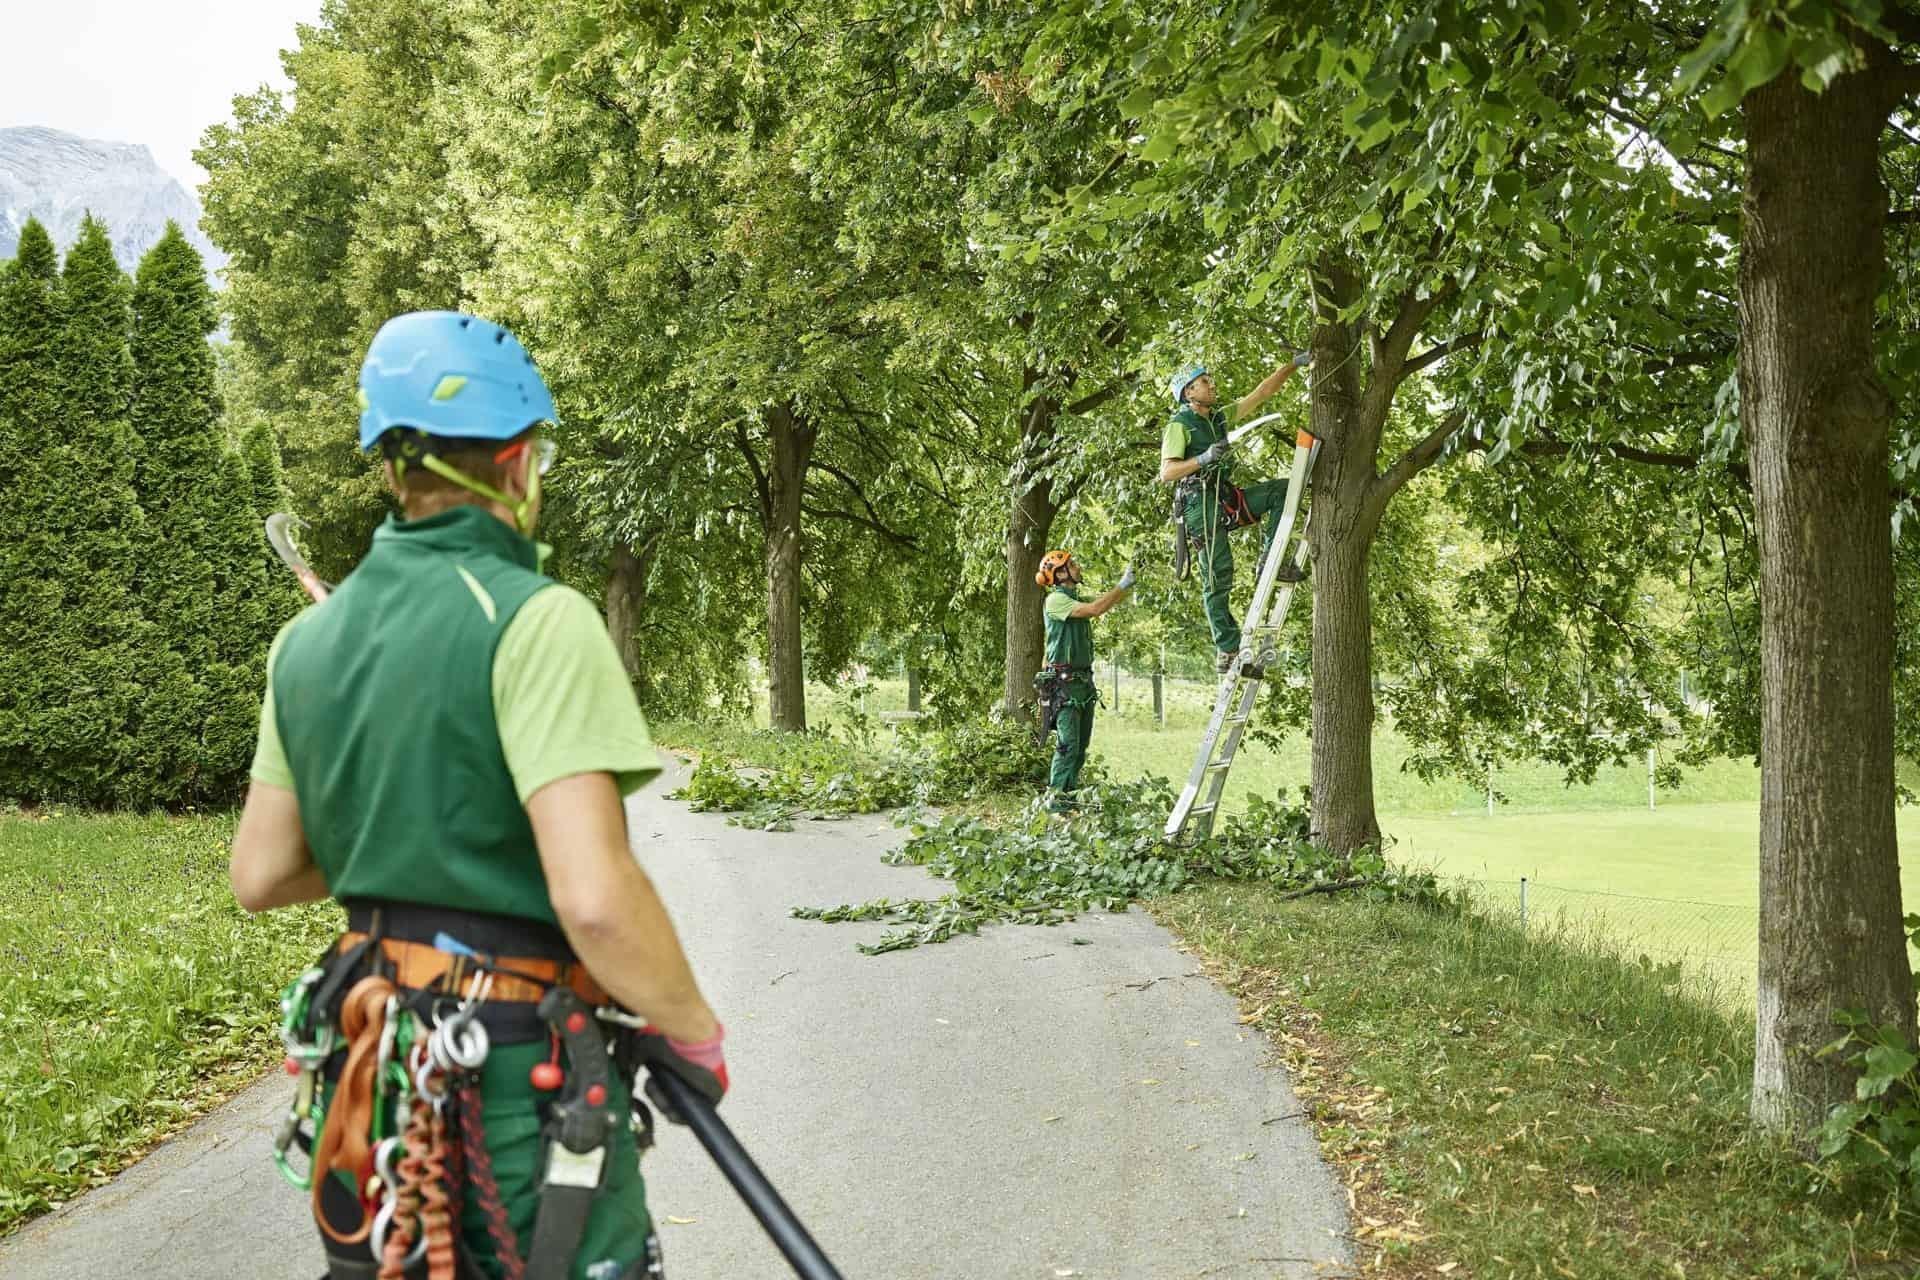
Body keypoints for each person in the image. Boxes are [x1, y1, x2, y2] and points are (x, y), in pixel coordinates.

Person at [229, 310, 723, 1280]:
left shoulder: (308, 645)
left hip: (369, 1075)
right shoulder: (539, 620)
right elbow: (593, 895)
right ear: (515, 457)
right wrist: (693, 1030)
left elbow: (264, 869)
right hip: (504, 1086)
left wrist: (406, 810)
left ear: (389, 464)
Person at [1158, 353, 1311, 675]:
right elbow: (1168, 472)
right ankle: (1228, 651)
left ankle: (1271, 559)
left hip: (1223, 495)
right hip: (1198, 503)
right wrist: (1203, 457)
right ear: (1188, 392)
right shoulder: (1178, 425)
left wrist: (1293, 365)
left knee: (1282, 490)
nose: (1212, 386)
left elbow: (1261, 393)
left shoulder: (1219, 417)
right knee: (1217, 577)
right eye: (1204, 382)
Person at [1035, 549, 1132, 812]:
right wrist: (1122, 584)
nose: (1078, 568)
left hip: (1083, 684)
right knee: (1068, 746)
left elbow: (1103, 603)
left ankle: (1069, 803)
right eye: (1072, 565)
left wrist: (1128, 585)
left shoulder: (1073, 599)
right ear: (1061, 573)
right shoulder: (1056, 601)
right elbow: (1096, 609)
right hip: (1064, 686)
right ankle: (1055, 808)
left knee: (1080, 748)